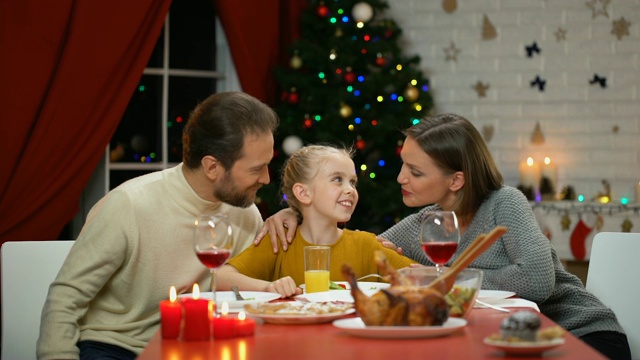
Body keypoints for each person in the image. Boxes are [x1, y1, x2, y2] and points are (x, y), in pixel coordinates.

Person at [256, 113, 631, 359]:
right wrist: (298, 211)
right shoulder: (427, 223)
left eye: (415, 172)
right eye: (403, 164)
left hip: (578, 335)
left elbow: (536, 281)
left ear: (456, 180)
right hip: (510, 342)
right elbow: (367, 249)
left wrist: (445, 278)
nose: (401, 178)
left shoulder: (504, 204)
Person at [37, 91, 279, 360]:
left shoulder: (244, 212)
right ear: (212, 167)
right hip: (119, 347)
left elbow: (262, 291)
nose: (267, 179)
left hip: (200, 346)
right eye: (257, 169)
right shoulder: (128, 205)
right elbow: (67, 296)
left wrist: (292, 216)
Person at [217, 145, 416, 298]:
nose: (350, 189)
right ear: (303, 193)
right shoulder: (279, 242)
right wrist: (268, 287)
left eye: (352, 182)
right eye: (337, 179)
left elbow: (428, 279)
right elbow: (220, 278)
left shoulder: (367, 245)